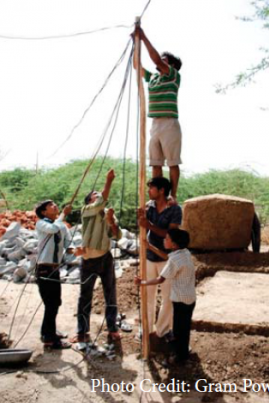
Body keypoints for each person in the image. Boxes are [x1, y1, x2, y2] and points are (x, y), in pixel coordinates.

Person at [70, 169, 122, 344]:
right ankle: (82, 331)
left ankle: (112, 328)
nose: (98, 194)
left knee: (111, 294)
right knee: (85, 296)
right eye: (94, 194)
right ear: (89, 201)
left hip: (105, 258)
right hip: (89, 260)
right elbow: (100, 203)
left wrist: (112, 222)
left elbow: (116, 235)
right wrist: (108, 181)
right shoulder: (87, 210)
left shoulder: (106, 212)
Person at [133, 26, 182, 201]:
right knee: (155, 163)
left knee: (173, 162)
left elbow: (154, 58)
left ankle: (173, 195)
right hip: (155, 124)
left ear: (172, 65)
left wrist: (143, 37)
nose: (159, 61)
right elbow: (137, 66)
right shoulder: (154, 77)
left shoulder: (173, 75)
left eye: (164, 60)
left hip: (169, 123)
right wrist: (135, 43)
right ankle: (157, 195)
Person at [135, 228, 196, 364]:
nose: (164, 239)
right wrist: (150, 247)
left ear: (173, 244)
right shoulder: (184, 253)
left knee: (179, 330)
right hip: (190, 298)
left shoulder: (174, 260)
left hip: (180, 300)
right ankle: (183, 351)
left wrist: (142, 282)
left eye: (167, 238)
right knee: (184, 328)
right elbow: (167, 257)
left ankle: (180, 357)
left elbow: (160, 279)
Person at [138, 177, 182, 339]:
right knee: (147, 295)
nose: (148, 191)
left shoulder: (175, 210)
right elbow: (142, 224)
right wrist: (141, 219)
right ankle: (147, 329)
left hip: (167, 258)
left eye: (152, 188)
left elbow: (170, 234)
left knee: (168, 297)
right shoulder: (149, 207)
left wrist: (148, 225)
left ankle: (162, 330)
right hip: (150, 258)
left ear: (162, 190)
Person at [35, 200, 74, 349]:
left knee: (55, 302)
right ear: (44, 212)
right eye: (50, 205)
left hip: (54, 269)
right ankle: (49, 338)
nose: (55, 206)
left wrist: (76, 250)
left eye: (54, 204)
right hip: (44, 268)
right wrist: (64, 214)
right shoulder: (41, 224)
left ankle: (48, 331)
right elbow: (52, 229)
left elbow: (68, 244)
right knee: (50, 303)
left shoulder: (61, 226)